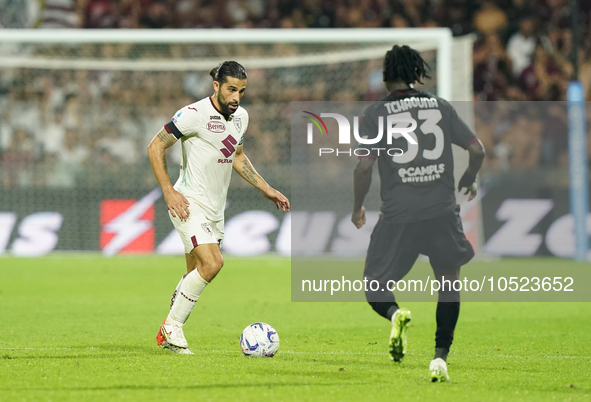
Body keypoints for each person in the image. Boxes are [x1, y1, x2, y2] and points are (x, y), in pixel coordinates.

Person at [351, 45, 485, 382]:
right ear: (416, 74)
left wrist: (357, 206)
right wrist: (468, 178)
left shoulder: (375, 114)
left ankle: (396, 314)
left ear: (385, 77)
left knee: (374, 285)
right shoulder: (440, 106)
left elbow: (364, 167)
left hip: (399, 214)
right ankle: (440, 358)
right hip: (441, 211)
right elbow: (476, 149)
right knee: (449, 283)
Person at [147, 61, 290, 354]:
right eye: (231, 89)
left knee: (194, 273)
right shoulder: (193, 114)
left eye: (241, 91)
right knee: (213, 264)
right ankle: (171, 327)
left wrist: (267, 189)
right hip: (188, 202)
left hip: (215, 209)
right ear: (217, 86)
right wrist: (169, 192)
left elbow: (237, 156)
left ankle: (170, 330)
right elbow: (155, 146)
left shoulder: (241, 118)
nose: (236, 97)